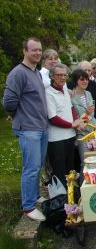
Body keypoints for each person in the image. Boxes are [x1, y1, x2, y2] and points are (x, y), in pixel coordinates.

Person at [3, 37, 48, 221]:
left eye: (39, 50)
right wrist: (20, 116)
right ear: (25, 51)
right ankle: (28, 207)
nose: (37, 53)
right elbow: (8, 102)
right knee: (31, 167)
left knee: (37, 166)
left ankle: (35, 195)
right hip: (28, 128)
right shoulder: (18, 73)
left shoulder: (36, 72)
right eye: (33, 50)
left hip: (41, 127)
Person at [45, 63, 82, 188]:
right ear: (52, 76)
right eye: (59, 75)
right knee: (59, 172)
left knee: (70, 170)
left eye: (65, 75)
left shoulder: (65, 89)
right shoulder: (48, 93)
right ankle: (60, 200)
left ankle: (71, 198)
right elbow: (53, 118)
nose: (62, 78)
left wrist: (77, 122)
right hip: (56, 139)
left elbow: (71, 108)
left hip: (69, 136)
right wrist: (72, 124)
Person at [70, 69, 96, 177]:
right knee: (85, 163)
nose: (85, 81)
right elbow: (74, 118)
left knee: (94, 162)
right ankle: (82, 190)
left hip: (92, 132)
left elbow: (92, 115)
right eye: (82, 79)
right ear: (76, 81)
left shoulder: (88, 94)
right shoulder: (71, 97)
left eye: (86, 79)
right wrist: (86, 113)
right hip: (81, 135)